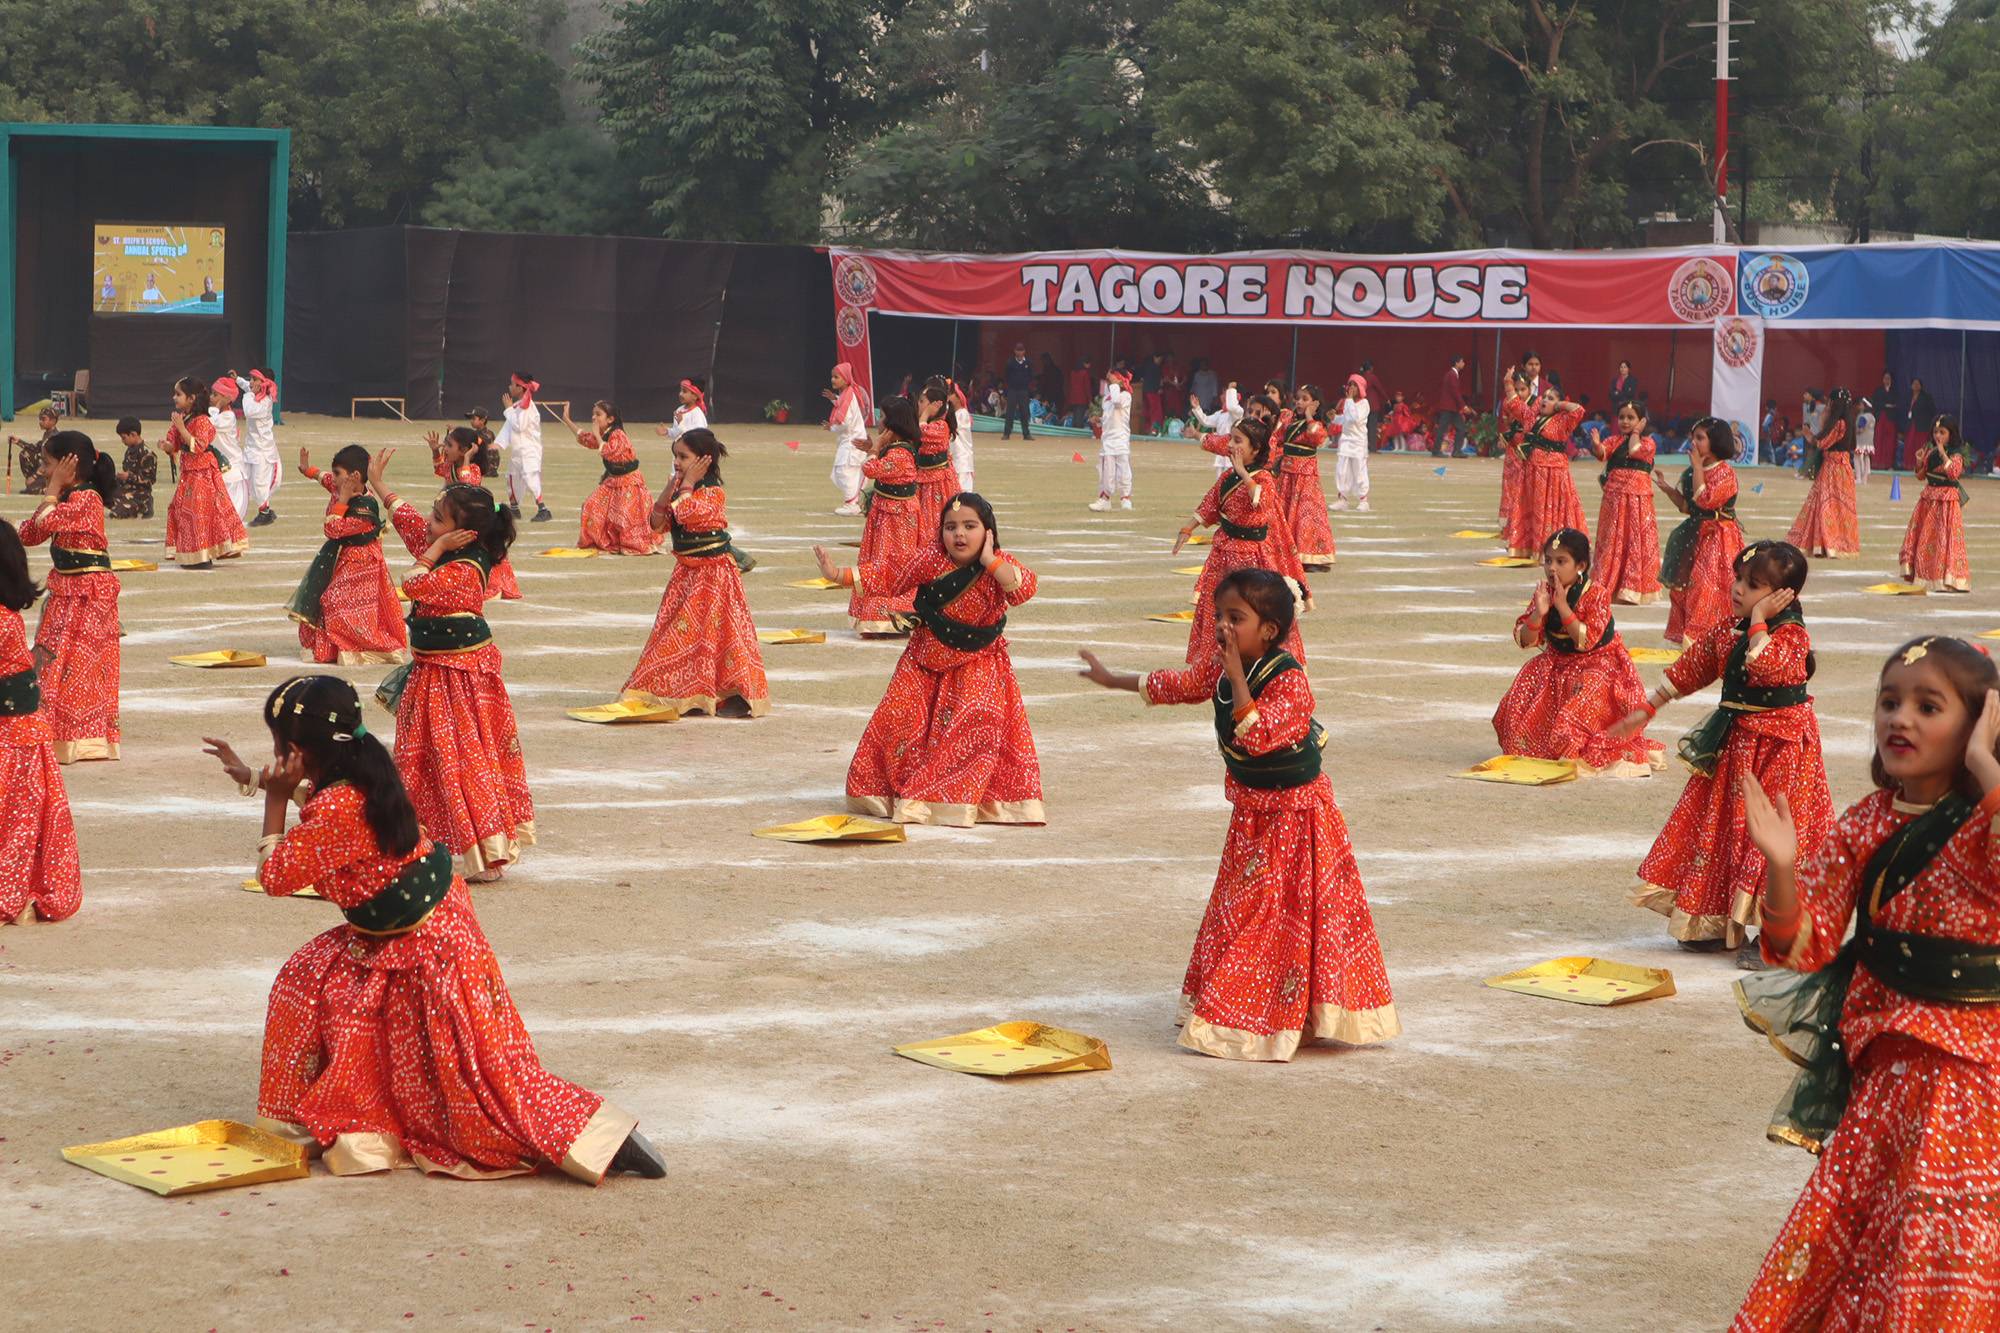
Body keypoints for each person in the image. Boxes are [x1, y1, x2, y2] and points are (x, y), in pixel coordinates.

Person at [211, 674, 662, 1183]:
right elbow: (322, 811)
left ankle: (599, 1137)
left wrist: (272, 800)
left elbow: (275, 877)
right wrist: (255, 778)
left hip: (426, 947)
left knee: (478, 1087)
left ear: (295, 749)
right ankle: (318, 1119)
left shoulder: (339, 803)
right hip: (418, 932)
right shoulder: (363, 768)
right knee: (312, 978)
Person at [1733, 635, 2000, 1326]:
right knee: (1863, 1239)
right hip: (1883, 1081)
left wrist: (1986, 765)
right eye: (1889, 702)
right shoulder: (1866, 822)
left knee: (1940, 1242)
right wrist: (1782, 866)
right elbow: (1801, 945)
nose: (1899, 719)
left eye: (1928, 706)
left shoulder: (1984, 824)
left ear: (1979, 723)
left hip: (1970, 1083)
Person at [1076, 567, 1398, 1061]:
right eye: (1218, 616)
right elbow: (1179, 684)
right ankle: (1250, 1008)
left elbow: (1259, 735)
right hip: (1252, 815)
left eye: (1235, 618)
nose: (1222, 627)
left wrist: (1234, 677)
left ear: (1268, 630)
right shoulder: (1222, 668)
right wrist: (1112, 679)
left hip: (1297, 818)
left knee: (1276, 915)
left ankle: (1269, 1017)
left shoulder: (1289, 680)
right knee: (1242, 910)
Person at [1617, 541, 1832, 960]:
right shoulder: (1731, 628)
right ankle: (1710, 920)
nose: (1737, 588)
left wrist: (1759, 620)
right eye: (1738, 578)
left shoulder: (1791, 635)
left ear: (1782, 596)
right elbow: (1694, 666)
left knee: (1769, 836)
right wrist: (1648, 707)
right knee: (1721, 829)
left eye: (1753, 584)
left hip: (1782, 749)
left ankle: (1778, 935)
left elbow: (1765, 665)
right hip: (1739, 744)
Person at [814, 493, 1043, 827]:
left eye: (970, 526)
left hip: (978, 664)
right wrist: (837, 574)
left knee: (973, 727)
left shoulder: (999, 563)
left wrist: (990, 561)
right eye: (950, 527)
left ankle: (957, 800)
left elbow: (1022, 591)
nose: (959, 534)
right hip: (923, 661)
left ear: (988, 531)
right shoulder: (931, 559)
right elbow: (890, 573)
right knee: (898, 722)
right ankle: (893, 793)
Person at [366, 451, 534, 881]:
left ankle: (486, 854)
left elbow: (413, 584)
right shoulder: (446, 548)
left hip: (458, 680)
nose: (428, 522)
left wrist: (437, 547)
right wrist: (379, 485)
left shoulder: (463, 569)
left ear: (462, 534)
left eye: (438, 519)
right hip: (433, 673)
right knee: (421, 760)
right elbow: (409, 524)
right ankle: (418, 841)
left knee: (461, 761)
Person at [623, 427, 768, 717]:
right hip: (686, 575)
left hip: (714, 576)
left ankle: (734, 694)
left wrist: (686, 485)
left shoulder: (713, 493)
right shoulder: (682, 488)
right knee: (678, 636)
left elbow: (688, 513)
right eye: (675, 456)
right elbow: (656, 525)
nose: (677, 462)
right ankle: (684, 693)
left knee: (722, 637)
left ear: (704, 460)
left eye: (683, 457)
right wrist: (670, 490)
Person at [1494, 529, 1663, 776]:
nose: (1552, 568)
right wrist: (1538, 613)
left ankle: (1577, 747)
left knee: (1581, 702)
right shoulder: (1545, 592)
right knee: (1526, 682)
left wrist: (1562, 607)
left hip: (1599, 663)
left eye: (1561, 561)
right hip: (1558, 661)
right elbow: (1525, 641)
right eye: (1548, 560)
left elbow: (1586, 641)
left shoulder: (1596, 594)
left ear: (1581, 565)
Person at [1178, 414, 1311, 670]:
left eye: (1237, 441)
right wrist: (1188, 527)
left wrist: (1243, 474)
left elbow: (1261, 503)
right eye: (1230, 439)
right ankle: (1214, 666)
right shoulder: (1228, 476)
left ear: (1256, 449)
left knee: (1252, 610)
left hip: (1251, 557)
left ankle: (1255, 664)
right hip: (1222, 554)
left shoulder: (1264, 479)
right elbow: (1211, 504)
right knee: (1217, 607)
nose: (1230, 445)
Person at [19, 432, 121, 765]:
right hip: (65, 591)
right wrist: (53, 492)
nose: (44, 470)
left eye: (48, 464)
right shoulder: (66, 497)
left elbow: (48, 521)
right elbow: (30, 533)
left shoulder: (87, 498)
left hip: (89, 594)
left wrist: (52, 490)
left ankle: (81, 740)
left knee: (79, 666)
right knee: (51, 661)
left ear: (68, 465)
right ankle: (52, 732)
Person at [0, 518, 79, 924]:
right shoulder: (8, 617)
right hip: (24, 736)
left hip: (13, 738)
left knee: (15, 822)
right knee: (21, 820)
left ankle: (10, 894)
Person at [287, 444, 408, 667]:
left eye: (337, 473)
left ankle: (361, 647)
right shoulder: (342, 487)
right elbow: (324, 478)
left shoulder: (365, 506)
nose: (332, 479)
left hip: (362, 562)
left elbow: (333, 529)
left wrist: (342, 501)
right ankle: (335, 646)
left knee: (335, 602)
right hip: (343, 558)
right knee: (329, 602)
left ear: (355, 477)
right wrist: (308, 470)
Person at [1656, 417, 1746, 646]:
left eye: (1700, 438)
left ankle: (1707, 637)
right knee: (1684, 589)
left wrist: (1697, 468)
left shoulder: (1725, 472)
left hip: (1719, 536)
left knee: (1707, 586)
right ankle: (1688, 636)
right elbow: (1688, 508)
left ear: (1715, 441)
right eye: (1692, 437)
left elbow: (1706, 500)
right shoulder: (1690, 472)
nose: (1693, 443)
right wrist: (1669, 490)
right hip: (1694, 535)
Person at [847, 397, 923, 635]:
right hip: (887, 516)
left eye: (882, 417)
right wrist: (876, 447)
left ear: (893, 424)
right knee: (879, 563)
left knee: (887, 566)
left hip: (896, 521)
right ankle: (876, 617)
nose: (879, 422)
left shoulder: (900, 453)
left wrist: (874, 448)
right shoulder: (896, 449)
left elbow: (870, 469)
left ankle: (888, 619)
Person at [421, 428, 522, 602]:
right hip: (455, 519)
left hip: (470, 521)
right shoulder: (451, 466)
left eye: (449, 445)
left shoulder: (473, 469)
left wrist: (467, 459)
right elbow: (439, 469)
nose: (445, 448)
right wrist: (434, 451)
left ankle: (487, 585)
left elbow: (467, 485)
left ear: (464, 450)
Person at [162, 376, 249, 569]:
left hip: (202, 473)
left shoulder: (202, 421)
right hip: (188, 473)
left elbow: (198, 446)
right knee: (181, 511)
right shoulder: (182, 418)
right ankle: (192, 555)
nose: (174, 397)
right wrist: (167, 446)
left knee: (198, 513)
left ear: (191, 398)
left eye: (178, 394)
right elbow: (175, 444)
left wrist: (181, 428)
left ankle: (202, 557)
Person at [1589, 400, 1662, 604]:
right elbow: (1602, 454)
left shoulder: (1649, 443)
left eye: (1631, 418)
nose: (1625, 421)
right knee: (1612, 539)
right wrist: (1596, 445)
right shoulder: (1614, 440)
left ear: (1642, 421)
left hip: (1638, 500)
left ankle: (1632, 588)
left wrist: (1637, 432)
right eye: (1621, 417)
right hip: (1614, 499)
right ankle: (1610, 585)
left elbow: (1635, 450)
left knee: (1635, 540)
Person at [571, 400, 658, 556]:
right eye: (593, 414)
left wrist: (597, 434)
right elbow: (586, 439)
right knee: (590, 505)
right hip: (613, 481)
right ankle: (598, 541)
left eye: (598, 414)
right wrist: (567, 419)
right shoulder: (605, 434)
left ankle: (629, 543)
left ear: (610, 419)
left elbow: (609, 452)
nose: (593, 417)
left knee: (624, 517)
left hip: (629, 482)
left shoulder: (618, 434)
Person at [1899, 413, 1972, 592]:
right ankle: (1924, 575)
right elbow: (1921, 475)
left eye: (1942, 432)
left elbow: (1954, 473)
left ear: (1951, 434)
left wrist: (1943, 454)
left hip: (1946, 502)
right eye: (1935, 432)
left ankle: (1944, 579)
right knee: (1924, 539)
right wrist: (1919, 461)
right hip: (1928, 500)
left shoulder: (1956, 454)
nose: (1938, 436)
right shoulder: (1930, 452)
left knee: (1942, 540)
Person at [1787, 387, 1862, 559]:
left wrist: (1810, 435)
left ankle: (1829, 545)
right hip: (1843, 468)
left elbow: (1823, 443)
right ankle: (1830, 545)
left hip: (1833, 469)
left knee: (1826, 505)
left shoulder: (1839, 424)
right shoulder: (1848, 422)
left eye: (1830, 402)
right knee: (1839, 507)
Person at [1514, 387, 1590, 557]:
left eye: (1550, 398)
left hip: (1553, 473)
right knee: (1533, 508)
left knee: (1550, 509)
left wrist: (1559, 405)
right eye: (1544, 397)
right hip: (1532, 470)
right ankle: (1531, 546)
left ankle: (1551, 548)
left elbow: (1579, 410)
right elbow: (1515, 408)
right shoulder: (1534, 417)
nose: (1545, 400)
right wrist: (1509, 387)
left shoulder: (1563, 420)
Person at [1276, 384, 1336, 570]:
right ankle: (1286, 555)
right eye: (1298, 398)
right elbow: (1277, 438)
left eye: (1305, 399)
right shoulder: (1288, 419)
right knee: (1284, 514)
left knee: (1306, 516)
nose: (1299, 402)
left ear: (1315, 403)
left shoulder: (1316, 424)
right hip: (1287, 476)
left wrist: (1310, 416)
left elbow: (1317, 437)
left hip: (1306, 478)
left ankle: (1310, 557)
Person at [498, 373, 552, 523]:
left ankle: (543, 509)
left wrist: (508, 409)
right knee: (511, 477)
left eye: (512, 384)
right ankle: (514, 509)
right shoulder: (518, 405)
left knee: (530, 477)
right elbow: (508, 427)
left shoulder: (527, 406)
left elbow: (519, 426)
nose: (509, 387)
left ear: (520, 388)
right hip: (518, 450)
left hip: (529, 450)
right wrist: (498, 444)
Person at [234, 368, 281, 526]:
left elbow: (249, 411)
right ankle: (260, 510)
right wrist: (238, 379)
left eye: (255, 379)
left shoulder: (265, 401)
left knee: (260, 483)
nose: (251, 382)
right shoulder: (256, 394)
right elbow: (247, 386)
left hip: (262, 451)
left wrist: (247, 394)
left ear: (264, 383)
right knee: (246, 481)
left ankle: (265, 513)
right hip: (251, 448)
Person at [914, 378, 961, 532]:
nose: (919, 405)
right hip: (925, 480)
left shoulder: (941, 426)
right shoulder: (930, 423)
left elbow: (921, 432)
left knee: (936, 519)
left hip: (938, 482)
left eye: (922, 401)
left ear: (935, 406)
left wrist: (925, 414)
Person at [826, 362, 869, 516]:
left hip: (853, 441)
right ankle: (854, 502)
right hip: (852, 440)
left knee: (843, 471)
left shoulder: (849, 394)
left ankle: (851, 504)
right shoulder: (847, 393)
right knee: (847, 471)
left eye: (836, 377)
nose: (833, 380)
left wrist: (832, 428)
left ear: (845, 378)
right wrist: (834, 399)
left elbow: (845, 422)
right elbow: (842, 404)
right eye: (832, 377)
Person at [1089, 369, 1134, 512]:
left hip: (1121, 438)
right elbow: (1109, 417)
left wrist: (1115, 384)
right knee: (1106, 471)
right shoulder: (1107, 398)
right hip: (1108, 440)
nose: (1109, 381)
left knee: (1124, 470)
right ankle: (1105, 499)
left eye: (1112, 377)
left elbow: (1117, 402)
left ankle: (1125, 498)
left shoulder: (1126, 396)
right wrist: (1099, 420)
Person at [208, 375, 251, 520]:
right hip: (221, 473)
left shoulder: (228, 417)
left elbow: (210, 424)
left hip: (233, 473)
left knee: (232, 517)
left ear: (227, 398)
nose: (211, 397)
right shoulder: (218, 415)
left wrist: (215, 408)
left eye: (215, 395)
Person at [1330, 375, 1372, 511]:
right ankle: (1342, 499)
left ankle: (1363, 500)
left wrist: (1348, 400)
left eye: (1355, 385)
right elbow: (1346, 419)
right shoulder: (1349, 402)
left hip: (1358, 443)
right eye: (1350, 385)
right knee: (1342, 471)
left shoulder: (1364, 403)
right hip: (1345, 442)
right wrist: (1334, 418)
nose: (1351, 388)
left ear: (1360, 388)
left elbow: (1355, 418)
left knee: (1359, 471)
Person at [1188, 381, 1242, 476]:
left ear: (1235, 396)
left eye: (1226, 393)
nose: (1222, 396)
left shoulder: (1237, 412)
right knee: (1218, 482)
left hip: (1231, 453)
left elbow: (1232, 407)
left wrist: (1231, 389)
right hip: (1220, 452)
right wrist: (1197, 408)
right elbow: (1205, 421)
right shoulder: (1220, 413)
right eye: (1223, 393)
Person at [109, 417, 157, 520]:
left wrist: (129, 476)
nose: (122, 441)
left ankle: (144, 508)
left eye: (124, 438)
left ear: (133, 434)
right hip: (127, 491)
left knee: (117, 513)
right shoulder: (130, 451)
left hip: (140, 495)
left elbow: (149, 480)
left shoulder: (148, 454)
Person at [9, 406, 58, 496]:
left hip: (52, 473)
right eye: (40, 419)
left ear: (53, 421)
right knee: (25, 454)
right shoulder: (47, 434)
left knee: (31, 490)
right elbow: (35, 448)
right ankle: (36, 484)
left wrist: (35, 476)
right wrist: (18, 442)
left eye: (43, 419)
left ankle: (45, 489)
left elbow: (49, 462)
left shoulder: (54, 438)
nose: (40, 422)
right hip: (45, 470)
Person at [1861, 369, 1901, 473]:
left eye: (1888, 378)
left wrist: (1890, 406)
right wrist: (1885, 405)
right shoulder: (1878, 391)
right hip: (1880, 418)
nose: (1887, 380)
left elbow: (1898, 404)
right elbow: (1875, 404)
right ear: (1883, 380)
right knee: (1879, 440)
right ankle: (1877, 463)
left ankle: (1889, 464)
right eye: (1885, 378)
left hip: (1891, 419)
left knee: (1890, 442)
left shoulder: (1895, 391)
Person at [1434, 354, 1469, 456]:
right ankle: (1437, 451)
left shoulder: (1452, 374)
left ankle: (1456, 451)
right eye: (1462, 362)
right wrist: (1464, 406)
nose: (1464, 364)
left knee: (1460, 428)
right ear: (1457, 363)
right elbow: (1455, 393)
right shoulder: (1452, 375)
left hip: (1452, 408)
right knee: (1443, 429)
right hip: (1449, 407)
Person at [1904, 375, 1938, 473]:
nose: (1916, 386)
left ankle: (1921, 466)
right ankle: (1909, 465)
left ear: (1921, 386)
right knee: (1909, 445)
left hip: (1922, 425)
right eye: (1914, 384)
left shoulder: (1926, 397)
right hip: (1911, 424)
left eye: (1917, 384)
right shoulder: (1908, 396)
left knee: (1920, 446)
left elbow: (1933, 411)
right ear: (1911, 385)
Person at [1001, 343, 1035, 440]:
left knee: (1024, 412)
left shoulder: (1028, 363)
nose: (1019, 352)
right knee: (1010, 412)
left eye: (1021, 350)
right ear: (1014, 351)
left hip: (1023, 391)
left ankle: (1026, 434)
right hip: (1012, 390)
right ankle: (1006, 433)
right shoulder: (1010, 362)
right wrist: (1006, 391)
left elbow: (1031, 376)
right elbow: (1006, 376)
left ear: (1024, 351)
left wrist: (1027, 387)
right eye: (1018, 350)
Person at [947, 379, 975, 492]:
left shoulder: (962, 414)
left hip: (962, 460)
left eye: (951, 394)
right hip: (956, 460)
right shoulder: (955, 414)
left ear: (959, 397)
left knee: (962, 493)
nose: (948, 397)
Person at [661, 378, 707, 444]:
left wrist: (681, 423)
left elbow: (698, 435)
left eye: (684, 392)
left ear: (695, 396)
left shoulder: (697, 413)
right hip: (682, 447)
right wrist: (668, 431)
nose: (681, 394)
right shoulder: (679, 410)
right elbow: (677, 433)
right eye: (681, 391)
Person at [1359, 360, 1387, 450]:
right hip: (1373, 405)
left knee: (1364, 426)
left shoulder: (1361, 377)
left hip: (1363, 405)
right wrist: (1387, 399)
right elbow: (1380, 389)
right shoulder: (1372, 377)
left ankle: (1364, 446)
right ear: (1371, 368)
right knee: (1372, 426)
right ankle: (1373, 447)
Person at [464, 407, 500, 476]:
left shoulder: (480, 435)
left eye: (473, 419)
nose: (471, 421)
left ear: (482, 420)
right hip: (491, 469)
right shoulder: (490, 433)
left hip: (485, 470)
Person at [1137, 352, 1165, 435]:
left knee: (1147, 411)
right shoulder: (1156, 367)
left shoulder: (1145, 366)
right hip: (1153, 392)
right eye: (1160, 359)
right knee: (1155, 411)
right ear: (1155, 357)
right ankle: (1154, 430)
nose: (1160, 361)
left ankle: (1147, 429)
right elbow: (1158, 381)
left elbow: (1141, 377)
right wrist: (1159, 388)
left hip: (1145, 391)